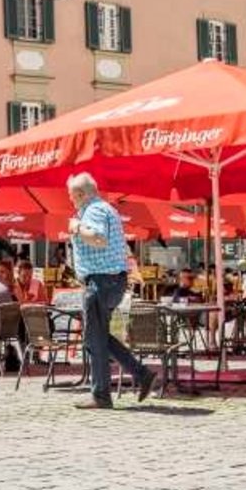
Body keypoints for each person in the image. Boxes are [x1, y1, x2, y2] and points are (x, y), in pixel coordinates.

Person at [65, 173, 155, 408]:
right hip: (112, 281)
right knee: (98, 336)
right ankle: (140, 373)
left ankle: (101, 395)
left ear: (81, 194)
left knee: (94, 340)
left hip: (101, 281)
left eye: (72, 197)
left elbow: (98, 238)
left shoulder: (92, 211)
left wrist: (76, 228)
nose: (71, 201)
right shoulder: (107, 209)